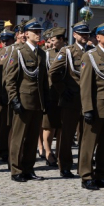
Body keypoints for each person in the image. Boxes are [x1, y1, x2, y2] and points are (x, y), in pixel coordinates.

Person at [4, 19, 49, 182]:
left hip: (37, 102)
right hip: (22, 101)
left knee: (31, 138)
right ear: (26, 34)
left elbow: (43, 80)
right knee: (18, 137)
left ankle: (28, 169)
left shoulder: (42, 53)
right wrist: (14, 99)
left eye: (39, 32)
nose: (38, 34)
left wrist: (46, 101)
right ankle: (16, 170)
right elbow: (10, 78)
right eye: (35, 32)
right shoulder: (18, 52)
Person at [79, 22, 104, 190]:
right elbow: (86, 85)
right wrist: (87, 109)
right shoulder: (90, 56)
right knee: (89, 144)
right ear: (98, 37)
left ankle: (101, 175)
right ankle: (86, 176)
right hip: (96, 107)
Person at [49, 21, 91, 178]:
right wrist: (62, 90)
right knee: (67, 135)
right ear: (75, 35)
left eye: (86, 33)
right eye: (81, 34)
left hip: (87, 100)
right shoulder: (67, 51)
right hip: (71, 98)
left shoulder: (92, 51)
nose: (85, 36)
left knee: (86, 136)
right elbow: (53, 72)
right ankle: (65, 166)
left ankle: (84, 167)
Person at [0, 27, 15, 162]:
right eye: (3, 40)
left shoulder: (16, 53)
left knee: (7, 123)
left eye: (8, 40)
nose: (5, 43)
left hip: (11, 92)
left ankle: (4, 148)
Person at [42, 27, 66, 166]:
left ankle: (59, 154)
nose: (51, 43)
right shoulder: (47, 54)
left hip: (64, 94)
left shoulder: (68, 52)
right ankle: (48, 152)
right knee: (49, 126)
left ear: (61, 39)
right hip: (51, 93)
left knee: (62, 126)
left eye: (53, 40)